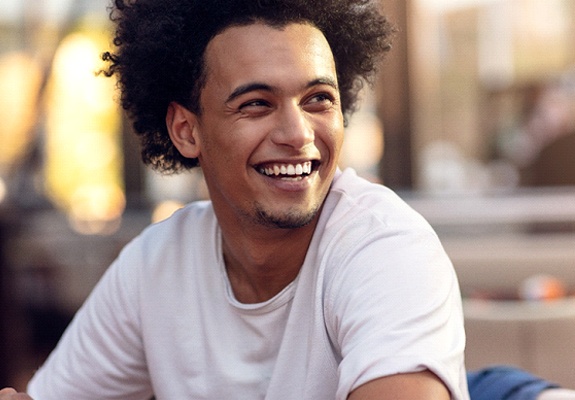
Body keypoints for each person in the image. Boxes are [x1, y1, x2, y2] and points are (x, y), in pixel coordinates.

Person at [0, 0, 479, 398]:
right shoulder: (156, 267)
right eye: (256, 104)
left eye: (318, 99)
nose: (298, 135)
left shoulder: (385, 248)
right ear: (186, 130)